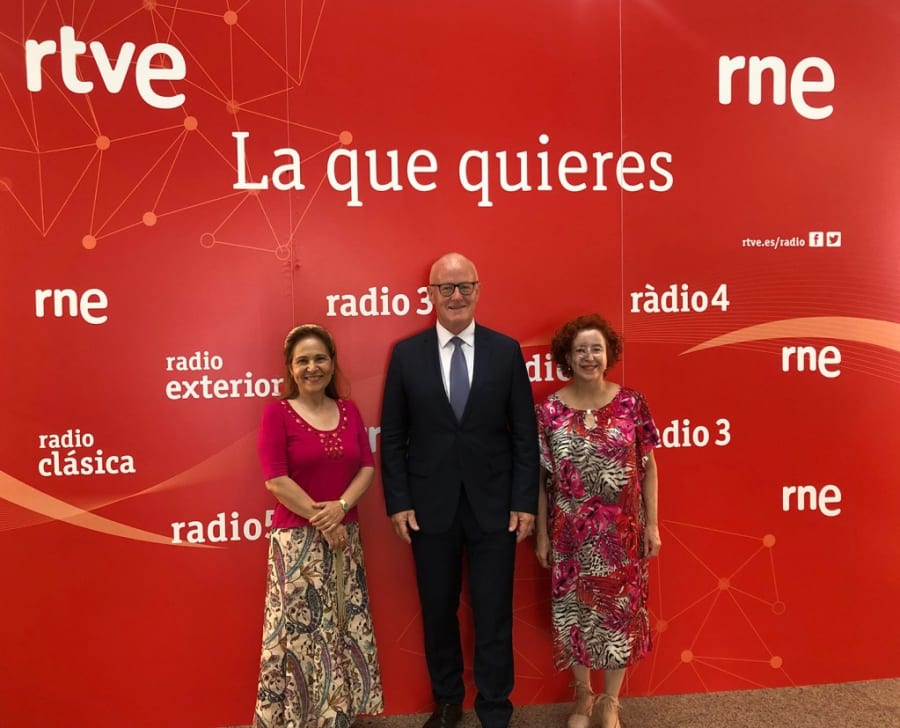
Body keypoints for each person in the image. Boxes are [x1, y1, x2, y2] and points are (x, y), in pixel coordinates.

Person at [380, 252, 539, 728]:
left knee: (493, 612)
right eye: (445, 288)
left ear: (478, 290)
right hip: (429, 508)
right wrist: (400, 501)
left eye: (464, 286)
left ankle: (494, 708)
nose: (455, 296)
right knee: (437, 610)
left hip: (496, 506)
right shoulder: (406, 354)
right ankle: (448, 701)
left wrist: (523, 501)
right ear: (429, 295)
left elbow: (524, 434)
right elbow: (392, 435)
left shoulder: (505, 350)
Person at [253, 324, 384, 728]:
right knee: (303, 635)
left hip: (344, 538)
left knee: (342, 628)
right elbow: (275, 480)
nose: (313, 367)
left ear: (332, 362)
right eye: (303, 360)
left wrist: (341, 507)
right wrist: (324, 519)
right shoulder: (277, 413)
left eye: (320, 358)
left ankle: (337, 718)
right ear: (291, 369)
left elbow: (366, 467)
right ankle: (299, 719)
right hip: (297, 545)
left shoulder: (348, 410)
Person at [534, 314, 661, 728]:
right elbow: (542, 479)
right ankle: (583, 699)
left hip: (620, 535)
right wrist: (540, 534)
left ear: (608, 355)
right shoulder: (549, 410)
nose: (589, 357)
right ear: (567, 357)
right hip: (569, 535)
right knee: (575, 614)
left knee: (618, 614)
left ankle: (610, 701)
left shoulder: (632, 403)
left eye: (596, 349)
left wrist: (653, 525)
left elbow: (648, 467)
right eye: (580, 350)